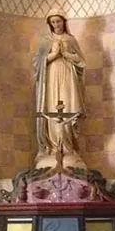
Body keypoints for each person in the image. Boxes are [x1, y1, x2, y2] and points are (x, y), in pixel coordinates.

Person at [34, 9, 87, 169]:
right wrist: (53, 55)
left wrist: (66, 54)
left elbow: (81, 62)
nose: (56, 24)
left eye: (59, 21)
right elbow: (37, 64)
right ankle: (53, 149)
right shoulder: (45, 40)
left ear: (64, 21)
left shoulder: (70, 40)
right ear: (50, 24)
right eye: (53, 22)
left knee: (69, 108)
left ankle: (69, 149)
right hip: (50, 79)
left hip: (68, 79)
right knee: (51, 110)